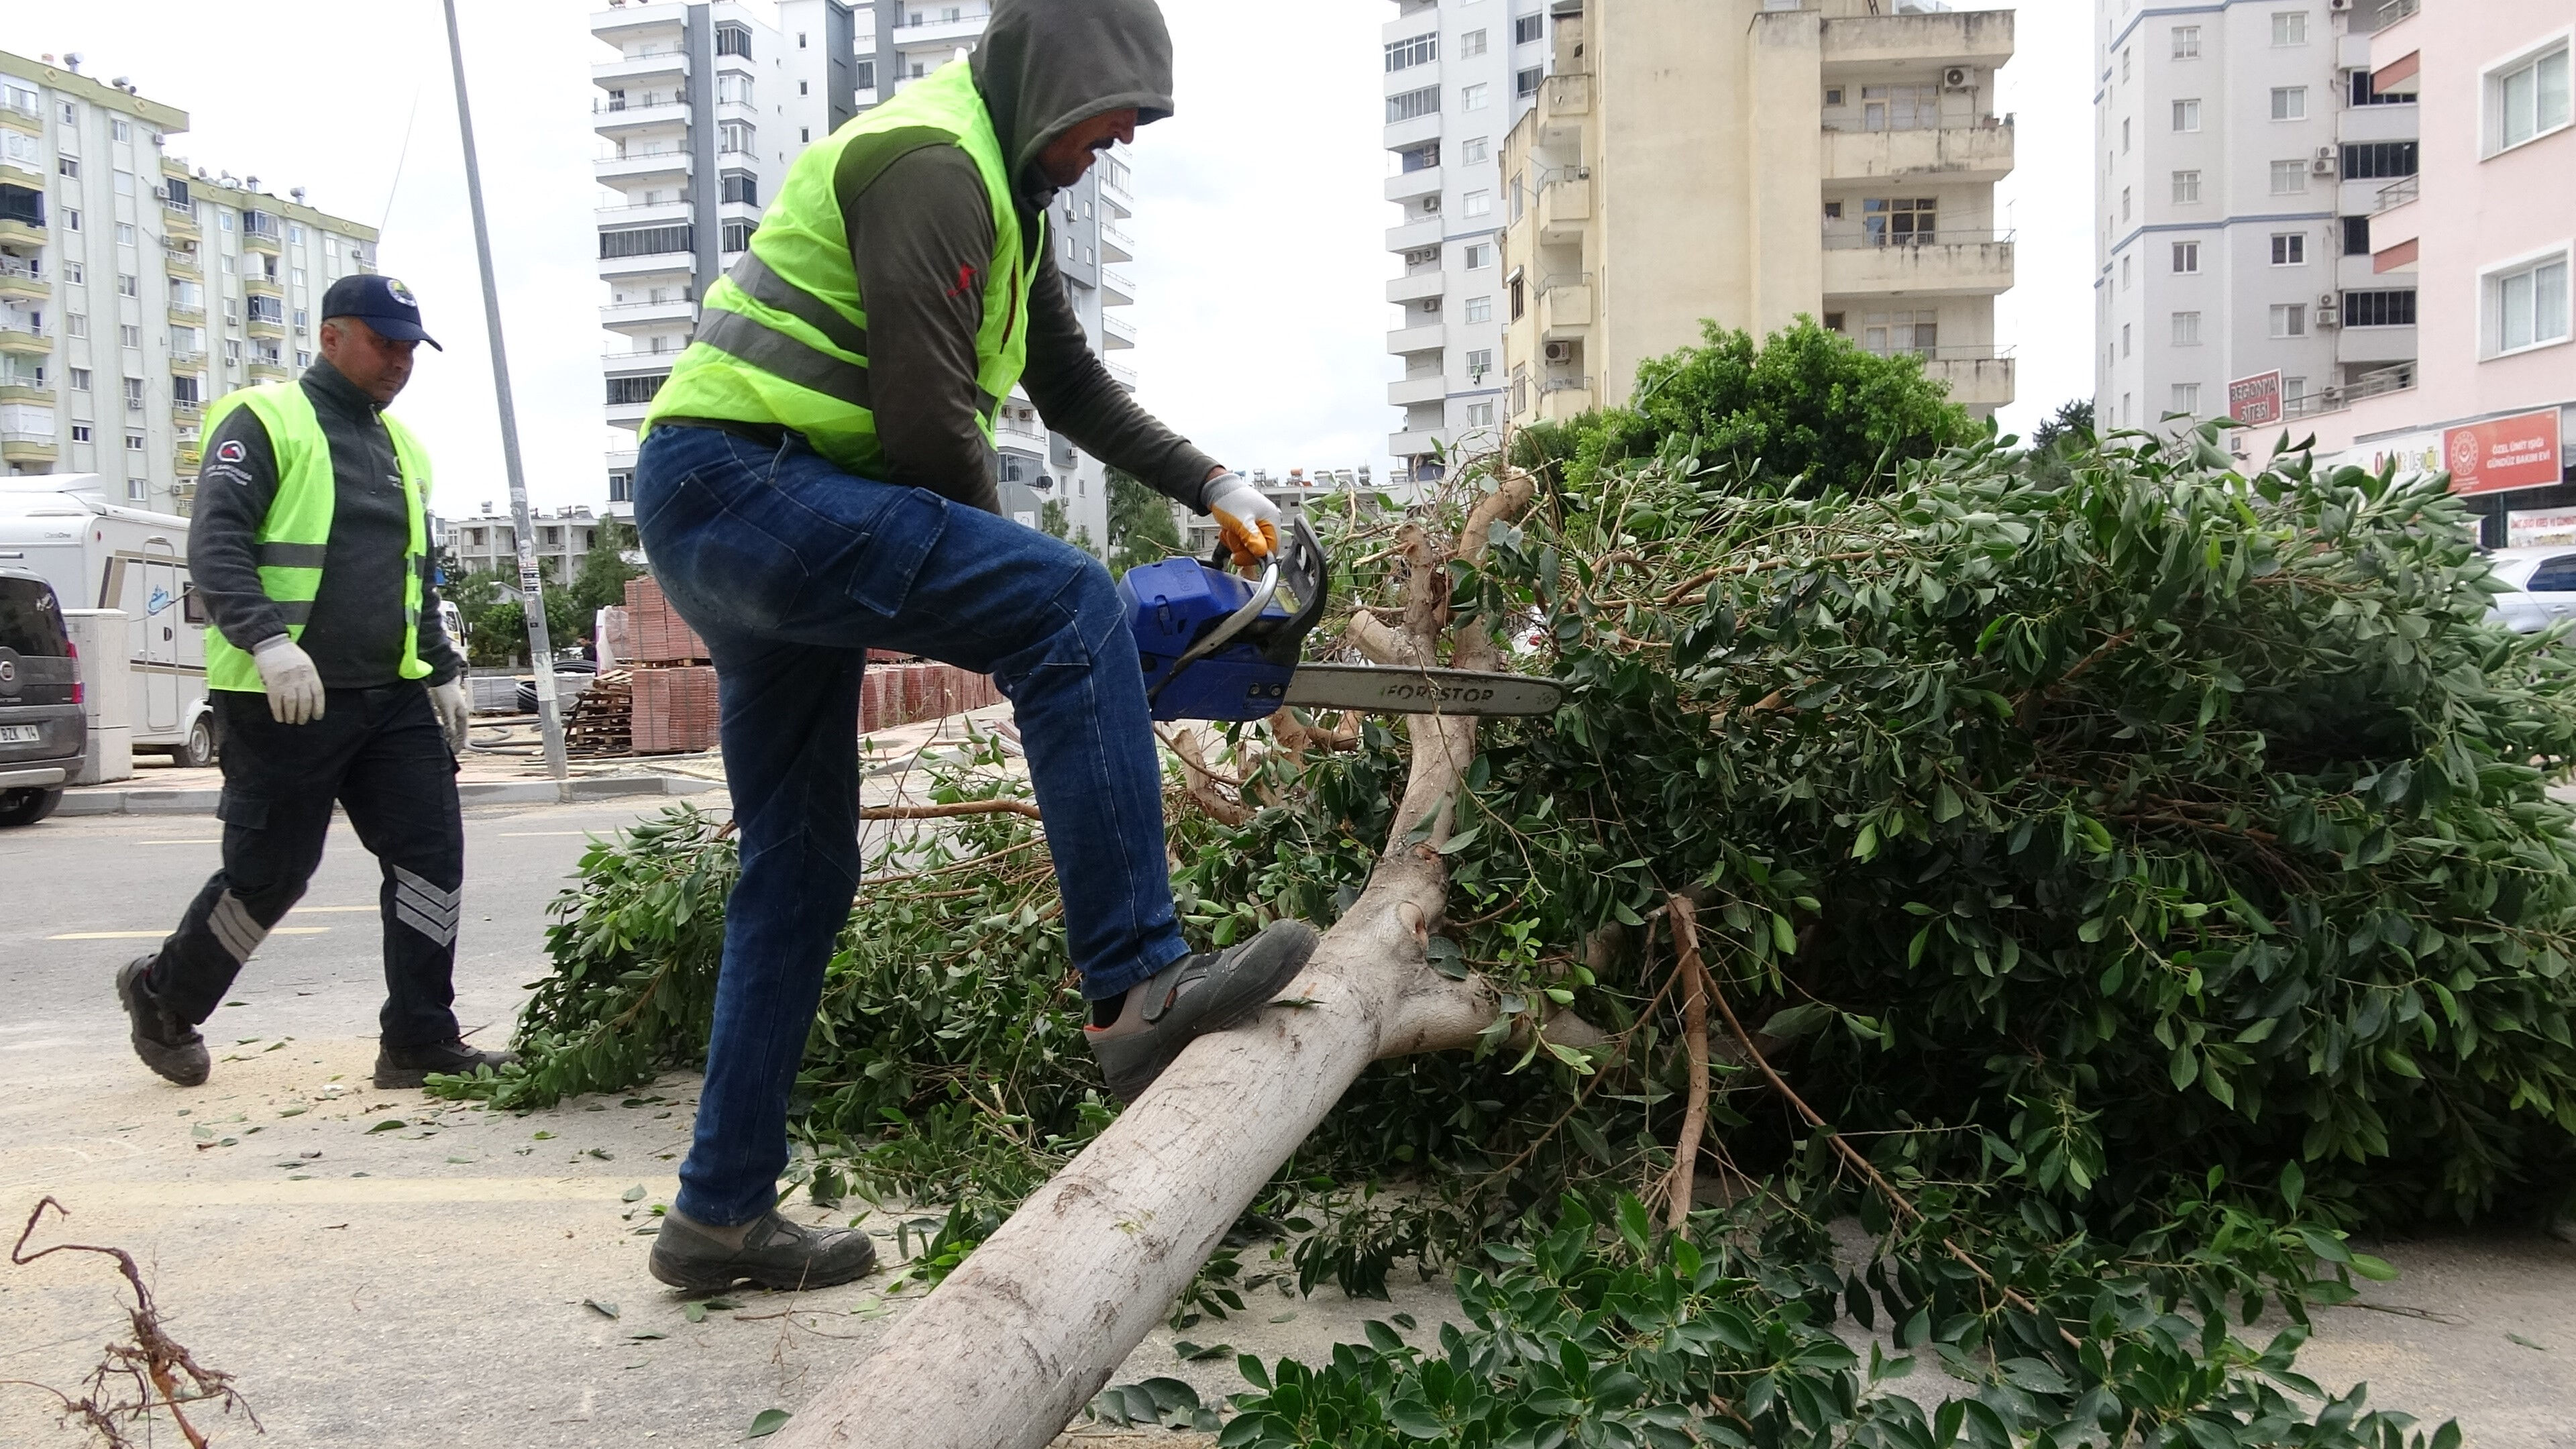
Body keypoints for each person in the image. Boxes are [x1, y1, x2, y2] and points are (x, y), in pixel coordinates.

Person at [631, 0, 1315, 1292]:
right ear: (1057, 77)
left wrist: (1220, 482)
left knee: (801, 868)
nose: (1116, 144)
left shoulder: (1003, 194)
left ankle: (716, 1216)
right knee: (1063, 601)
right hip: (743, 487)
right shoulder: (931, 165)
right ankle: (1138, 988)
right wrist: (1034, 610)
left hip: (744, 504)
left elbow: (1069, 384)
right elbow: (930, 426)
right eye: (1115, 114)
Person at [113, 276, 513, 1094]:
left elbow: (416, 574)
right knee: (270, 876)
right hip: (282, 697)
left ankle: (419, 1040)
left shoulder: (405, 448)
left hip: (391, 699)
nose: (400, 361)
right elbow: (216, 544)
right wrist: (267, 641)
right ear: (332, 337)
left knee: (431, 862)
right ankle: (164, 997)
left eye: (410, 348)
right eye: (384, 342)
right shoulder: (263, 421)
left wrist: (440, 671)